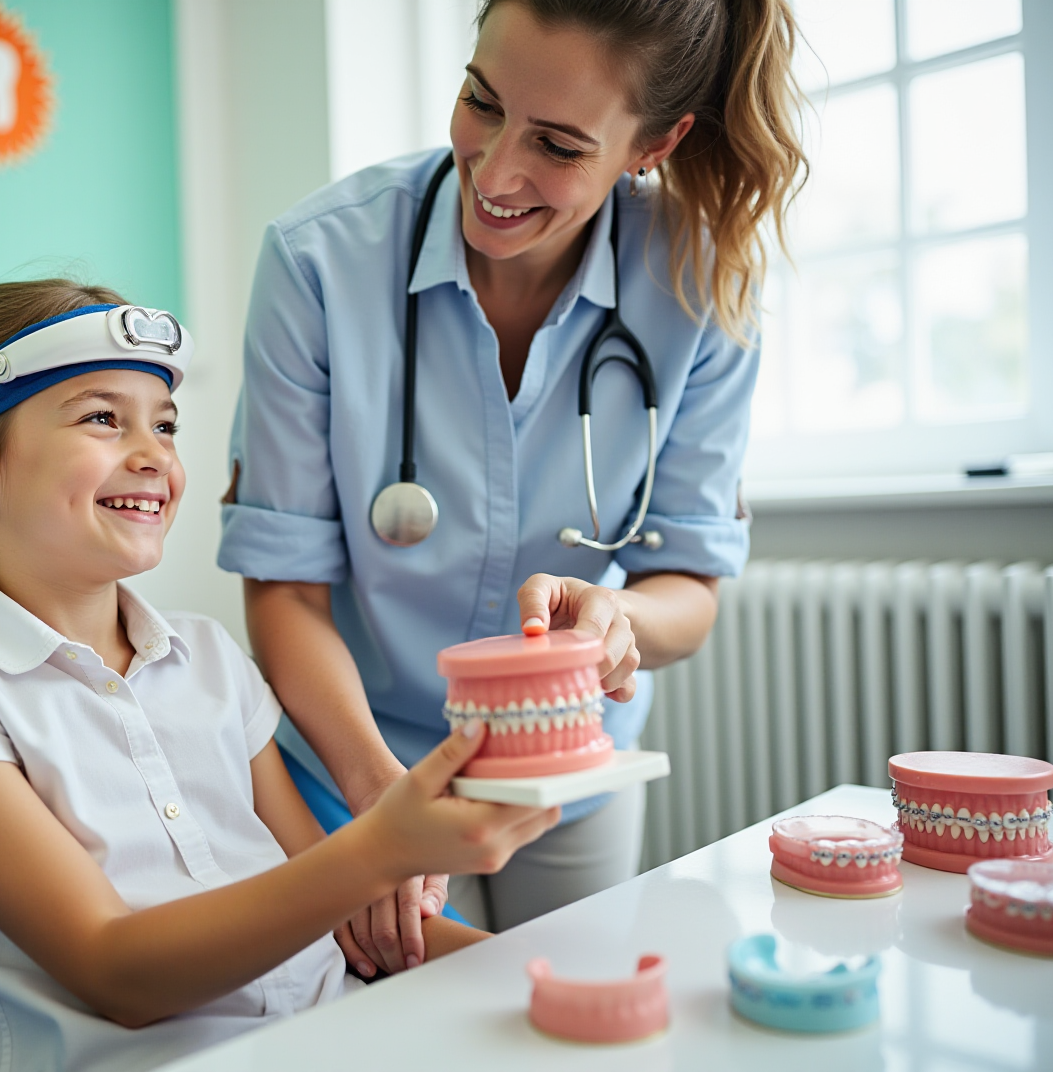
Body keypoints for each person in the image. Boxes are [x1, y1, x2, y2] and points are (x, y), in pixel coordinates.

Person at [0, 279, 558, 1072]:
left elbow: (353, 926)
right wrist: (379, 850)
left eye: (166, 425)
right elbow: (117, 973)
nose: (155, 456)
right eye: (102, 418)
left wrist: (548, 971)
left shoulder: (209, 656)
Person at [219, 0, 804, 971]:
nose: (493, 173)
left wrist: (619, 619)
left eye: (559, 146)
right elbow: (286, 592)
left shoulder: (701, 283)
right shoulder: (319, 261)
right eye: (481, 102)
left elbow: (688, 591)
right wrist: (380, 808)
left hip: (569, 765)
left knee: (567, 1002)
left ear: (654, 144)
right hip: (355, 749)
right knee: (390, 1020)